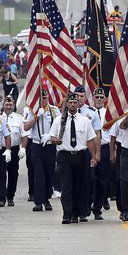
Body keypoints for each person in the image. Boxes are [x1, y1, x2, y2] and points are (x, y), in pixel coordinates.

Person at [49, 92, 98, 224]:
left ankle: (77, 213)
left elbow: (90, 140)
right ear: (66, 104)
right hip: (64, 155)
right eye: (69, 103)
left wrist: (93, 157)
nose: (72, 105)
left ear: (78, 104)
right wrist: (55, 140)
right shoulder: (59, 120)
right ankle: (67, 214)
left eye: (74, 102)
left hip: (81, 155)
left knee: (79, 186)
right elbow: (52, 136)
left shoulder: (85, 121)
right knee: (66, 186)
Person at [24, 89, 59, 212]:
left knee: (48, 173)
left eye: (45, 98)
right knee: (38, 174)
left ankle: (47, 199)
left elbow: (59, 127)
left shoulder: (54, 110)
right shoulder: (32, 110)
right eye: (41, 98)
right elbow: (26, 127)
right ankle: (38, 202)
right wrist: (35, 116)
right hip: (37, 146)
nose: (43, 101)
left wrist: (51, 137)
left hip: (49, 146)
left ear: (48, 98)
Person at [77, 87, 102, 219]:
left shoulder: (91, 113)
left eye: (82, 96)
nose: (79, 98)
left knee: (89, 181)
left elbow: (97, 134)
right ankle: (75, 209)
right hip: (74, 150)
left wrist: (97, 154)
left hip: (88, 151)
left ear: (85, 97)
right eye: (77, 96)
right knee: (76, 181)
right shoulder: (69, 112)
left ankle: (85, 209)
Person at [0, 96, 26, 207]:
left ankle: (10, 196)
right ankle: (1, 197)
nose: (9, 107)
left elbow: (24, 135)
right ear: (3, 105)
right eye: (7, 104)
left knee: (13, 174)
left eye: (10, 105)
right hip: (0, 149)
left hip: (14, 149)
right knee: (0, 174)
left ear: (14, 106)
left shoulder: (19, 118)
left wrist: (23, 148)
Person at [92, 88, 112, 220]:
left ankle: (98, 208)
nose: (99, 99)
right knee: (90, 179)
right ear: (93, 98)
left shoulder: (109, 114)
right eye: (97, 97)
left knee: (103, 180)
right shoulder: (87, 112)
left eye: (101, 97)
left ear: (105, 99)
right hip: (90, 149)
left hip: (105, 148)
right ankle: (88, 205)